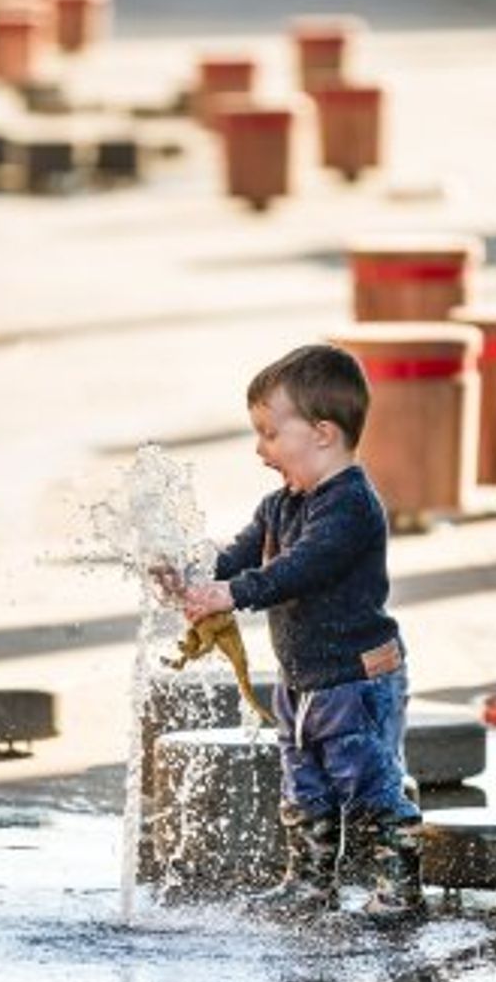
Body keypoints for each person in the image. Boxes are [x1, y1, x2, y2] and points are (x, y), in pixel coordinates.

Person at [160, 343, 425, 924]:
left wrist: (232, 595)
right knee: (304, 786)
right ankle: (309, 883)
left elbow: (302, 567)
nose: (260, 450)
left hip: (357, 678)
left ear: (323, 434)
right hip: (303, 681)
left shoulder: (352, 506)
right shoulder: (280, 505)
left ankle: (399, 888)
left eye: (270, 434)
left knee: (368, 781)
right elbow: (237, 558)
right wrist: (191, 580)